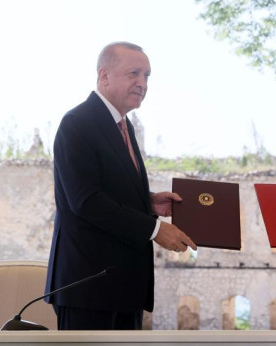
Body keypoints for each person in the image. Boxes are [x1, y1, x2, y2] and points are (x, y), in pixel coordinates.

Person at [45, 41, 196, 330]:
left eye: (147, 76)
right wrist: (154, 229)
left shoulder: (124, 126)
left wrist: (148, 201)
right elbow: (86, 200)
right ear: (104, 76)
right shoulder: (77, 123)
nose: (143, 83)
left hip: (125, 288)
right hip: (88, 287)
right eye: (133, 73)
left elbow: (108, 187)